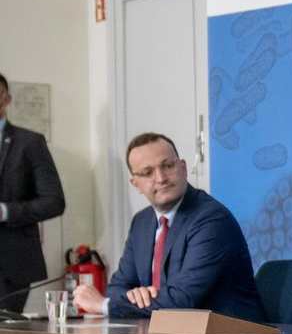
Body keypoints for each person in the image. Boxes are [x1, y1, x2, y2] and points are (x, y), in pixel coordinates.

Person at [74, 132, 265, 321]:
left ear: (183, 167)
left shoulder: (212, 219)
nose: (160, 178)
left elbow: (181, 301)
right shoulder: (141, 222)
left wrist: (102, 305)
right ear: (136, 184)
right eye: (147, 173)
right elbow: (118, 288)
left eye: (167, 165)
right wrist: (135, 296)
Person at [0, 72, 66, 313]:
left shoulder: (30, 143)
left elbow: (54, 201)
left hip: (9, 265)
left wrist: (6, 211)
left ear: (6, 99)